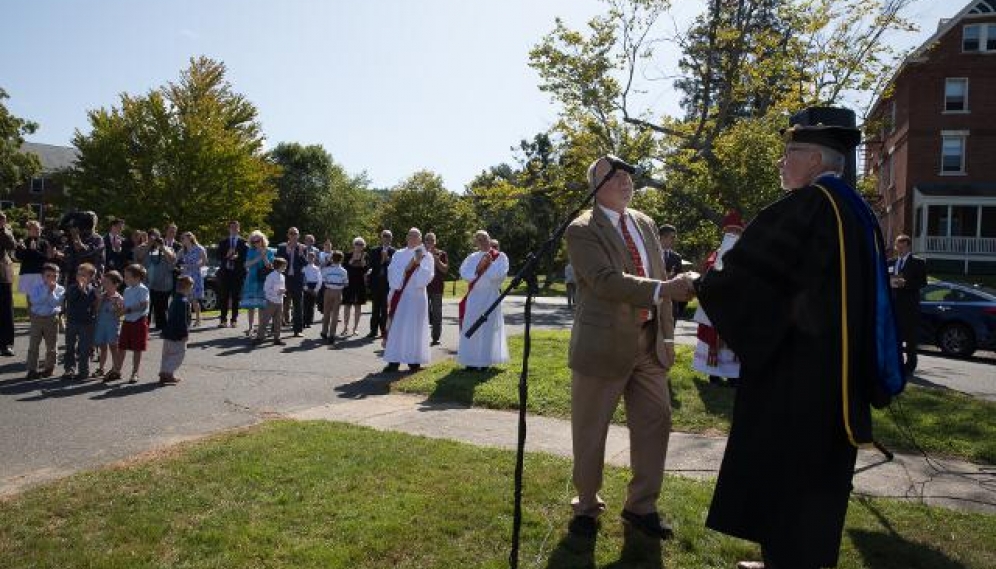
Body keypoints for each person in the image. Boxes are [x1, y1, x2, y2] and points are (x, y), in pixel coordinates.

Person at [696, 123, 903, 569]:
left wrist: (707, 283)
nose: (780, 163)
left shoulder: (811, 204)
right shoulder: (857, 211)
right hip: (837, 375)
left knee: (789, 473)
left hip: (798, 375)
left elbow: (751, 278)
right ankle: (786, 560)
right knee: (818, 478)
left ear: (815, 160)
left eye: (788, 153)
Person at [564, 156, 695, 541]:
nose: (626, 182)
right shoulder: (581, 229)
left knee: (656, 422)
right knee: (591, 431)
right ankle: (586, 507)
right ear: (596, 184)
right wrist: (663, 289)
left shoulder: (645, 222)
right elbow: (604, 281)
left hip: (649, 342)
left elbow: (657, 275)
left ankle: (642, 507)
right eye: (617, 176)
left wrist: (666, 332)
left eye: (628, 177)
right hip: (602, 345)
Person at [692, 212, 744, 387]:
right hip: (715, 305)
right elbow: (708, 272)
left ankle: (732, 376)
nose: (732, 235)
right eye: (729, 232)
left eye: (736, 232)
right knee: (713, 340)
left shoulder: (745, 255)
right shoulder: (716, 254)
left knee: (732, 341)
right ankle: (713, 375)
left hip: (735, 306)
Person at [381, 228, 434, 373]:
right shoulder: (398, 254)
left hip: (416, 296)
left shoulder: (426, 255)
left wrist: (417, 266)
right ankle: (393, 361)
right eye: (410, 235)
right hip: (400, 295)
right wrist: (407, 268)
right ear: (406, 237)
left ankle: (414, 361)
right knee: (397, 327)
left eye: (415, 236)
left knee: (415, 327)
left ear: (420, 238)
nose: (412, 238)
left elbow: (428, 275)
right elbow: (392, 271)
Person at [457, 230, 509, 370]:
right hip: (474, 297)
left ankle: (485, 361)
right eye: (479, 239)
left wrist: (489, 264)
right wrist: (479, 267)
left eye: (484, 238)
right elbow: (465, 273)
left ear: (489, 239)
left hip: (491, 297)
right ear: (476, 242)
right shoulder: (472, 257)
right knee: (471, 327)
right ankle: (471, 361)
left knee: (488, 329)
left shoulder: (500, 256)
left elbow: (499, 276)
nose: (482, 241)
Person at [889, 234, 927, 375]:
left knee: (911, 340)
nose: (899, 249)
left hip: (910, 308)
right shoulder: (891, 262)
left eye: (902, 246)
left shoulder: (918, 263)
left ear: (908, 246)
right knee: (896, 338)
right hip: (894, 307)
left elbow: (923, 283)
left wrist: (906, 284)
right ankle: (897, 364)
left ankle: (910, 366)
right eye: (897, 246)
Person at [108, 264, 151, 384]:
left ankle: (135, 372)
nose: (125, 279)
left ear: (137, 278)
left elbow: (144, 305)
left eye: (127, 277)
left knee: (137, 349)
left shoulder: (143, 289)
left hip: (139, 321)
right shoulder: (127, 290)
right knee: (122, 347)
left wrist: (128, 310)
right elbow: (124, 307)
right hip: (127, 322)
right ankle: (117, 371)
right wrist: (117, 306)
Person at [25, 263, 65, 379]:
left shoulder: (60, 289)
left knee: (51, 346)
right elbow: (35, 301)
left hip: (51, 318)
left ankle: (49, 368)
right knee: (33, 345)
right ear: (43, 276)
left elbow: (55, 303)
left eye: (55, 276)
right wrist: (47, 292)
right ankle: (32, 369)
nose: (52, 279)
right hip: (37, 318)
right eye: (48, 276)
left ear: (58, 276)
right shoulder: (35, 287)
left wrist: (51, 292)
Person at [62, 262, 98, 380]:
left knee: (84, 349)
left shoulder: (92, 290)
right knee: (70, 347)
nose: (80, 277)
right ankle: (69, 369)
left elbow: (91, 303)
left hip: (86, 323)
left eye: (84, 275)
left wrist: (84, 291)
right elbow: (70, 299)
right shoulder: (72, 288)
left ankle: (84, 371)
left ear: (91, 278)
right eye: (79, 274)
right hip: (72, 321)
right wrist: (79, 290)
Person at [139, 229, 177, 331]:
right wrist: (148, 245)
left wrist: (162, 247)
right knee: (146, 308)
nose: (155, 239)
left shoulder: (168, 248)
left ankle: (162, 327)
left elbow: (172, 259)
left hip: (163, 284)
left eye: (157, 237)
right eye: (153, 237)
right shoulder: (143, 247)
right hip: (146, 283)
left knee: (161, 308)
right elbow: (139, 259)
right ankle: (144, 327)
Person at [159, 275, 193, 385]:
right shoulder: (184, 302)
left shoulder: (173, 300)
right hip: (177, 334)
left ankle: (164, 372)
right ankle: (168, 373)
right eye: (191, 287)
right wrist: (185, 333)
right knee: (179, 354)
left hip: (168, 332)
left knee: (167, 354)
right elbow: (182, 319)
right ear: (187, 288)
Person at [240, 230, 274, 337]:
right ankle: (250, 327)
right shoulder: (250, 251)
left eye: (257, 240)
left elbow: (270, 266)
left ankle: (261, 327)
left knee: (262, 305)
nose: (256, 243)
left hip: (264, 280)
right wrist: (258, 257)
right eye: (253, 241)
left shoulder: (269, 251)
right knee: (251, 306)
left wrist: (263, 256)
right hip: (252, 279)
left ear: (262, 240)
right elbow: (246, 264)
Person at [276, 227, 309, 338]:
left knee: (298, 306)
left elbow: (305, 264)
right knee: (278, 304)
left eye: (295, 233)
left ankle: (297, 330)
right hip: (283, 279)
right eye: (291, 233)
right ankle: (275, 328)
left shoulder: (303, 248)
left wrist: (301, 254)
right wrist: (287, 253)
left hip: (297, 280)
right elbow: (277, 263)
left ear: (298, 236)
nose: (294, 235)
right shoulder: (281, 247)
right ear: (288, 235)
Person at [15, 220, 54, 312]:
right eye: (35, 229)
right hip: (28, 274)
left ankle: (41, 317)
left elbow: (48, 258)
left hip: (41, 274)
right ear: (29, 230)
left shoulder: (44, 242)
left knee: (42, 297)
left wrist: (35, 251)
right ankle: (33, 320)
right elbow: (18, 257)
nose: (38, 230)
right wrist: (24, 249)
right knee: (30, 299)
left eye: (39, 228)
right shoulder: (23, 242)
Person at [216, 220, 248, 329]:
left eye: (236, 227)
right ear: (229, 229)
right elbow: (218, 257)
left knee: (235, 297)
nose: (234, 229)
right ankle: (223, 320)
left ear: (239, 229)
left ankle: (234, 320)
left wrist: (237, 258)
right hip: (225, 273)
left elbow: (245, 258)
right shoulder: (223, 242)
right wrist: (227, 255)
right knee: (224, 296)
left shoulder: (244, 242)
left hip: (237, 273)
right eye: (232, 227)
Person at [93, 270, 124, 379]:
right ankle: (101, 368)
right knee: (103, 348)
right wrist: (99, 299)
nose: (104, 285)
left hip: (112, 326)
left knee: (113, 348)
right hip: (101, 325)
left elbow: (120, 314)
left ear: (116, 284)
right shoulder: (102, 296)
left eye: (107, 282)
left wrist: (115, 304)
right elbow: (96, 310)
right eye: (104, 282)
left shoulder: (119, 298)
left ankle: (115, 369)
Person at [366, 230, 396, 338]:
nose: (386, 238)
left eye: (388, 236)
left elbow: (395, 267)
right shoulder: (374, 250)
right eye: (384, 236)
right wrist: (381, 261)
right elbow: (371, 265)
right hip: (376, 283)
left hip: (388, 284)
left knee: (385, 309)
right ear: (381, 238)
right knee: (375, 308)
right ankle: (373, 331)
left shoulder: (395, 252)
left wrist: (387, 260)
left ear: (391, 238)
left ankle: (384, 331)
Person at [63, 211, 105, 283]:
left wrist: (75, 235)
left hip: (91, 279)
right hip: (74, 277)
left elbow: (83, 251)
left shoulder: (97, 239)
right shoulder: (77, 237)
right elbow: (69, 254)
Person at [255, 257, 288, 346]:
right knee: (265, 320)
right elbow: (266, 289)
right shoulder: (270, 276)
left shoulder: (283, 276)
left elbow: (282, 287)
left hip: (279, 301)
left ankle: (277, 338)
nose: (285, 267)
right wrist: (276, 292)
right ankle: (259, 337)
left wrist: (283, 291)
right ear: (278, 266)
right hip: (271, 301)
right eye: (284, 266)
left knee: (278, 321)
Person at [423, 232, 449, 346]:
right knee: (422, 313)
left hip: (437, 288)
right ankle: (421, 337)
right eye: (427, 240)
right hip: (422, 288)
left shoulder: (441, 253)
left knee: (437, 314)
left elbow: (445, 270)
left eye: (432, 240)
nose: (430, 242)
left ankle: (435, 337)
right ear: (424, 241)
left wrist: (437, 260)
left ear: (435, 241)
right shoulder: (420, 253)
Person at [340, 237, 369, 336]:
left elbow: (366, 270)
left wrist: (363, 262)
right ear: (354, 245)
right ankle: (345, 327)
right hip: (349, 283)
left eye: (361, 244)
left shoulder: (365, 256)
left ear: (363, 246)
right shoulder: (348, 255)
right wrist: (352, 260)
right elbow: (344, 267)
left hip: (360, 283)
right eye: (357, 243)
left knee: (358, 306)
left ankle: (355, 328)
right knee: (347, 305)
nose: (359, 246)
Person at [320, 251, 349, 345]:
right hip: (338, 292)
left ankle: (324, 332)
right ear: (341, 259)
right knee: (335, 314)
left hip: (328, 290)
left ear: (332, 258)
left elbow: (323, 280)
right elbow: (346, 283)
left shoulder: (327, 269)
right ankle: (332, 334)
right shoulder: (343, 271)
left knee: (326, 312)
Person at [179, 231, 207, 327]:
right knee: (185, 298)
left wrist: (193, 266)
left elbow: (204, 262)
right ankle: (187, 319)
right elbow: (177, 260)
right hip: (185, 275)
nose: (182, 240)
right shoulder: (183, 250)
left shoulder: (199, 248)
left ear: (190, 238)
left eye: (184, 238)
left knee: (194, 299)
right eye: (181, 239)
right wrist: (181, 266)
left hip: (195, 275)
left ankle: (198, 319)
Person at [659, 224, 686, 323]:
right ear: (662, 237)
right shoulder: (651, 253)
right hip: (654, 300)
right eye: (672, 237)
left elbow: (679, 278)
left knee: (669, 336)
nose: (675, 240)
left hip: (671, 303)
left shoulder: (677, 257)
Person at [0, 212, 17, 356]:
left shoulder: (6, 231)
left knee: (6, 310)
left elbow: (12, 245)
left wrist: (3, 229)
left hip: (3, 275)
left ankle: (6, 344)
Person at [302, 252, 321, 328]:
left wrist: (316, 290)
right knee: (304, 305)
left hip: (314, 286)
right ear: (307, 258)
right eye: (309, 257)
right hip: (306, 286)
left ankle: (309, 322)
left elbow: (319, 280)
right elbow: (303, 279)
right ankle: (303, 321)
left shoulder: (317, 268)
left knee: (311, 305)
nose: (310, 258)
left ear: (314, 258)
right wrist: (306, 288)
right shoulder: (304, 268)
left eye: (312, 257)